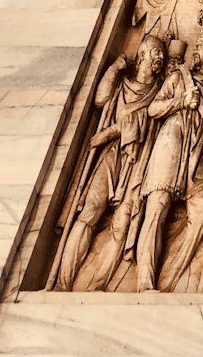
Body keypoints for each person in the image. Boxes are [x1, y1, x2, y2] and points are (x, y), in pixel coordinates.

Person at [135, 13, 203, 291]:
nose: (196, 51)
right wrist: (181, 102)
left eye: (201, 47)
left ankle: (171, 280)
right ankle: (145, 284)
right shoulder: (180, 77)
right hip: (173, 140)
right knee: (157, 206)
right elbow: (154, 109)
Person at [55, 34, 165, 291]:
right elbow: (100, 100)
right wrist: (115, 69)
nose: (158, 59)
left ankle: (98, 285)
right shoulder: (123, 85)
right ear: (141, 56)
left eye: (161, 55)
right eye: (154, 53)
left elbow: (152, 118)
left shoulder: (160, 92)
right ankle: (63, 283)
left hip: (140, 161)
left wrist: (110, 131)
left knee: (123, 223)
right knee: (89, 212)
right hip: (111, 155)